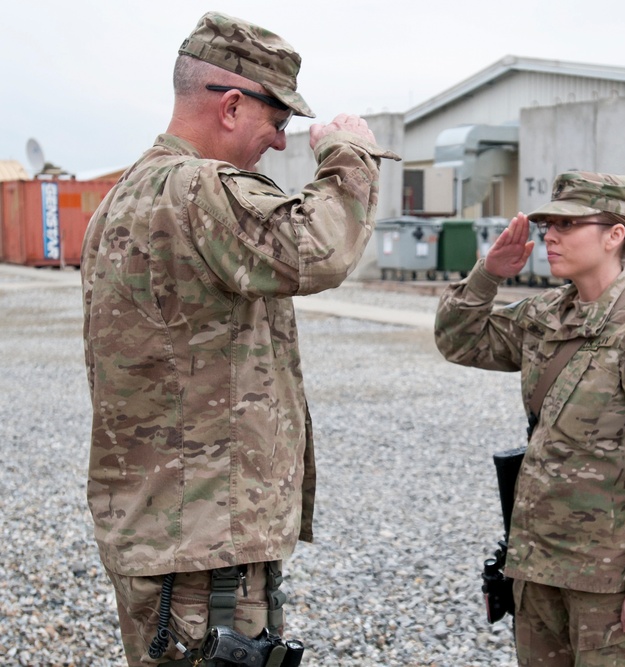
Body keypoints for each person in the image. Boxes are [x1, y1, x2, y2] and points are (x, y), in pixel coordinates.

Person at [81, 11, 397, 665]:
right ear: (230, 105)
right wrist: (348, 156)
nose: (281, 143)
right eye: (278, 122)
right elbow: (318, 248)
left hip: (171, 535)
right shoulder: (199, 189)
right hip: (204, 550)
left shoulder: (128, 193)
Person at [435, 172, 625, 666]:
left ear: (615, 234)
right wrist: (488, 273)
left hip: (606, 579)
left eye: (568, 223)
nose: (550, 236)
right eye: (547, 225)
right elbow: (458, 340)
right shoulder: (547, 316)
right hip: (537, 564)